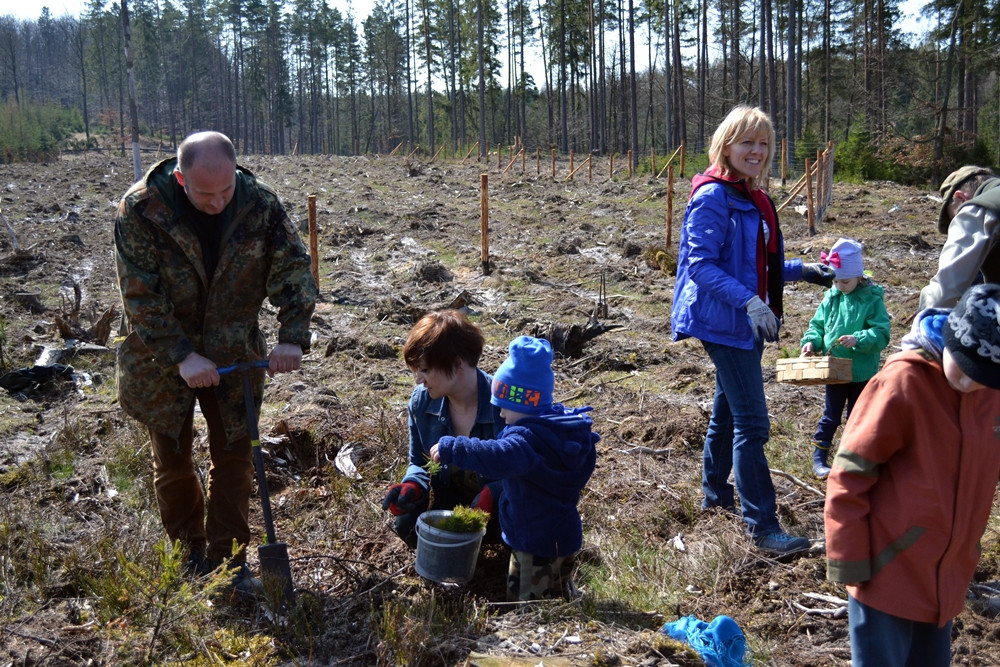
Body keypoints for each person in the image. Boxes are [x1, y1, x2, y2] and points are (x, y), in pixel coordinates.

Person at [114, 131, 317, 596]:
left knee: (235, 458)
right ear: (180, 179)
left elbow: (293, 271)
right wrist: (182, 356)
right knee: (173, 462)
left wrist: (292, 338)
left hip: (235, 353)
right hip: (159, 358)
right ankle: (189, 559)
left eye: (226, 190)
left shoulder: (260, 204)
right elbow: (140, 297)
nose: (218, 202)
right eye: (205, 194)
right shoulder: (141, 210)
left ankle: (228, 564)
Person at [670, 105, 835, 555]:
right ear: (726, 146)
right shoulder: (713, 197)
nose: (756, 151)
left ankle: (715, 498)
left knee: (727, 413)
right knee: (752, 423)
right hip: (723, 321)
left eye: (763, 143)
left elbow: (756, 263)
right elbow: (699, 265)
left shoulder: (752, 196)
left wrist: (806, 270)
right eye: (747, 142)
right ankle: (763, 528)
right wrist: (748, 301)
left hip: (747, 321)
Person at [825, 283, 1000, 666]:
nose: (970, 381)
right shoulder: (903, 383)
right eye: (965, 366)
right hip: (886, 571)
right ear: (950, 339)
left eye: (983, 375)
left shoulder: (991, 393)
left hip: (945, 576)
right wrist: (849, 560)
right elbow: (849, 473)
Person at [429, 335, 599, 601]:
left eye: (504, 407)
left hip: (534, 542)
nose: (501, 415)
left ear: (523, 402)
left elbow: (497, 456)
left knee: (527, 606)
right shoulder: (559, 431)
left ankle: (543, 619)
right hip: (562, 533)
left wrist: (454, 447)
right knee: (556, 595)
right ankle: (566, 608)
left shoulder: (526, 442)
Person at [382, 309, 506, 548]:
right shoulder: (422, 402)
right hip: (450, 500)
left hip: (498, 510)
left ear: (458, 363)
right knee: (408, 524)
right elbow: (419, 462)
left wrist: (494, 493)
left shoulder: (504, 406)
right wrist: (412, 486)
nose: (419, 380)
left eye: (425, 370)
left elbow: (526, 470)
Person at [799, 237, 890, 479]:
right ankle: (819, 458)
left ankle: (851, 459)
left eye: (845, 281)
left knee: (856, 417)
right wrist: (811, 341)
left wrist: (859, 339)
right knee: (831, 415)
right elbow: (817, 325)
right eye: (836, 281)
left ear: (859, 276)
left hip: (862, 371)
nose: (840, 285)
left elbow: (882, 333)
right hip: (835, 370)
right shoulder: (831, 297)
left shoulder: (871, 300)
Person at [918, 166, 1000, 311]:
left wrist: (923, 319)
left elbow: (942, 293)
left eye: (954, 217)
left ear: (961, 198)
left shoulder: (977, 209)